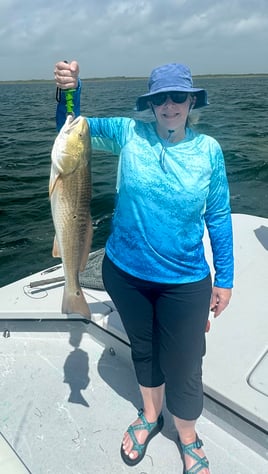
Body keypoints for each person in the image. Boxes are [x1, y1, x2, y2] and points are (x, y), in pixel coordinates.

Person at [54, 60, 234, 474]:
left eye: (178, 97)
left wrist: (224, 277)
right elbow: (72, 128)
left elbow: (220, 216)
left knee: (186, 363)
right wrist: (69, 89)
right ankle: (151, 415)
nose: (169, 105)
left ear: (191, 102)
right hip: (126, 274)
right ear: (150, 104)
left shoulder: (209, 151)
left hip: (185, 281)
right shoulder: (128, 134)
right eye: (160, 98)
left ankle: (187, 435)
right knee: (145, 350)